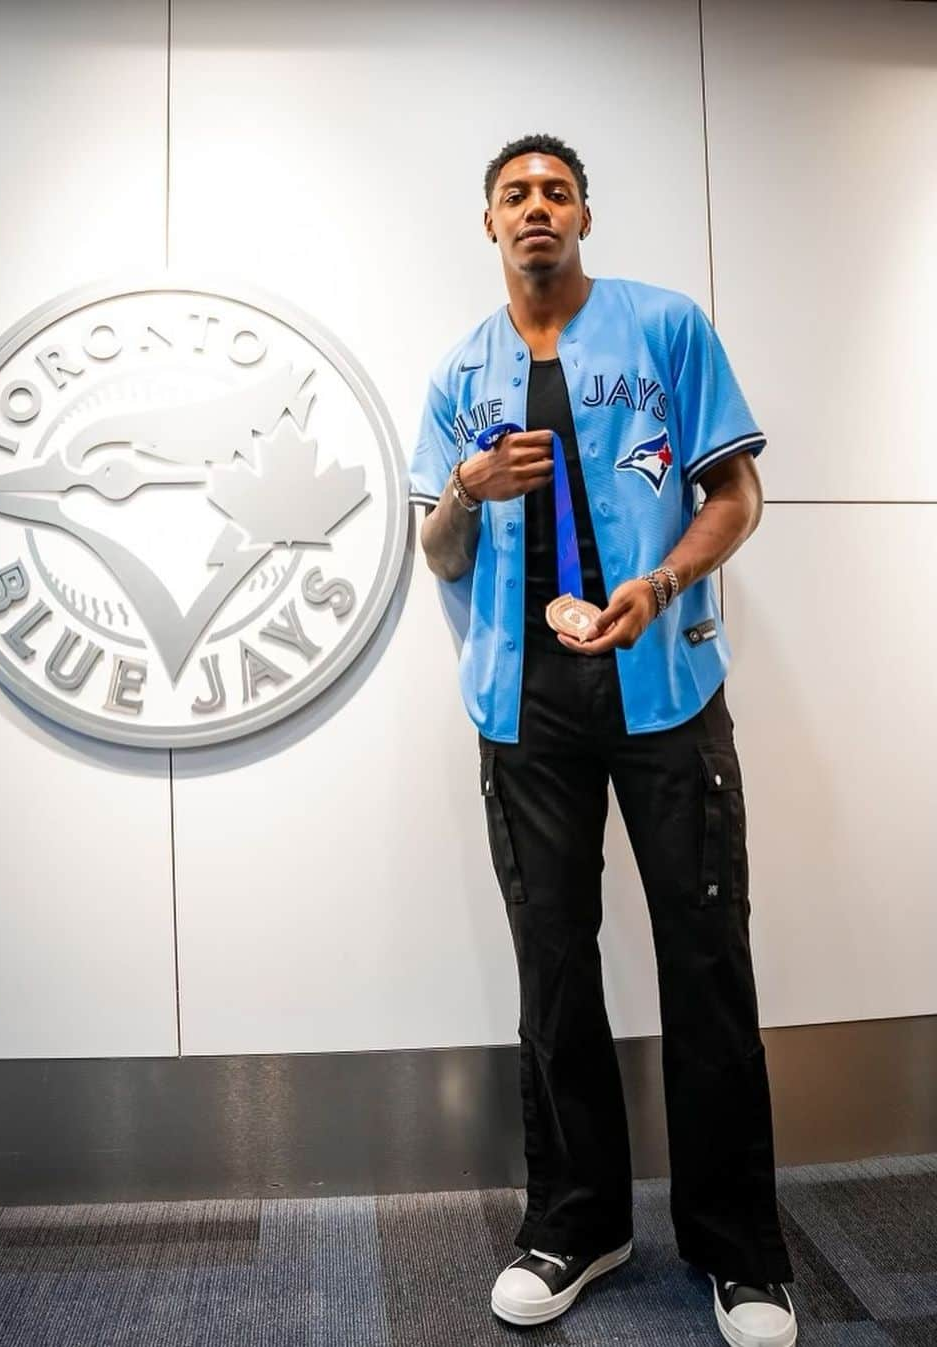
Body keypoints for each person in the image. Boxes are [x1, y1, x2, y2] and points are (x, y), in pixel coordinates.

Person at [410, 133, 798, 1347]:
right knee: (555, 968)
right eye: (514, 194)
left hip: (663, 685)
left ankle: (741, 1255)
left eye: (556, 191)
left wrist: (663, 583)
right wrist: (468, 489)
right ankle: (577, 1223)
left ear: (585, 214)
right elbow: (434, 550)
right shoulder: (457, 374)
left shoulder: (666, 328)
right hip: (522, 706)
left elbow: (734, 496)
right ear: (488, 224)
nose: (537, 208)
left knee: (705, 959)